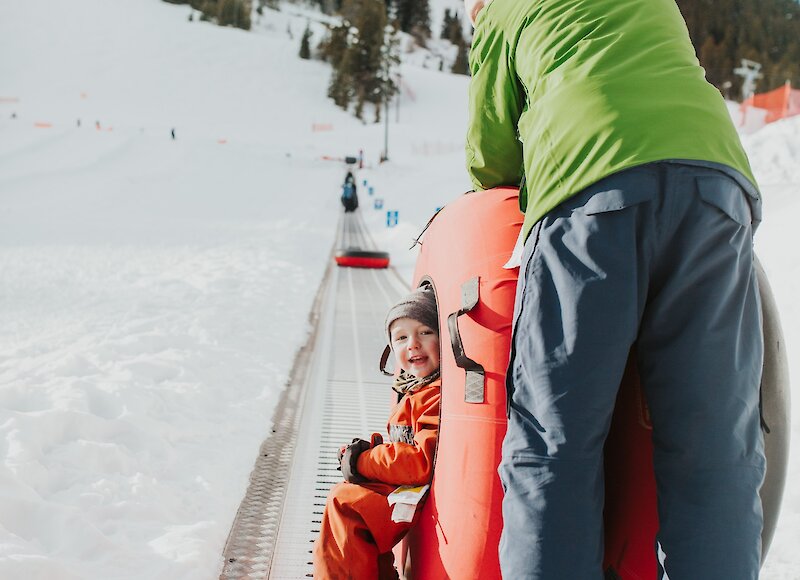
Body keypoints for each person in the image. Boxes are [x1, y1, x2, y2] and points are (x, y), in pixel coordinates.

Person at [463, 0, 765, 578]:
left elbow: (491, 156)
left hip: (589, 189)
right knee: (714, 447)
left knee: (555, 443)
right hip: (715, 182)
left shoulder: (501, 12)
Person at [313, 286, 441, 579]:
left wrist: (364, 462)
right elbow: (403, 442)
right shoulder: (414, 391)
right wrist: (365, 450)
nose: (413, 344)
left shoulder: (434, 394)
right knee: (349, 501)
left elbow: (421, 462)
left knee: (347, 506)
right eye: (402, 337)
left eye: (425, 332)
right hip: (403, 489)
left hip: (414, 495)